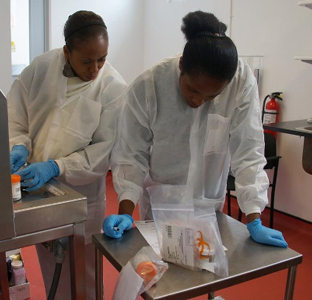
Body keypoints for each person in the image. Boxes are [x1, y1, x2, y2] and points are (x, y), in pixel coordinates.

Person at [103, 11, 288, 248]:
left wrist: (253, 217)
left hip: (207, 206)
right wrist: (126, 210)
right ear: (181, 66)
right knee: (159, 277)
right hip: (161, 206)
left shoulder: (240, 82)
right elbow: (130, 154)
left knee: (206, 273)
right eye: (193, 90)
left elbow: (248, 149)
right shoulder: (149, 87)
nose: (199, 100)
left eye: (212, 96)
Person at [7, 10, 127, 299]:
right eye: (86, 60)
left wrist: (57, 166)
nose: (94, 68)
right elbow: (15, 113)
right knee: (50, 265)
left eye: (102, 59)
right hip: (39, 190)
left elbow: (103, 151)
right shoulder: (40, 68)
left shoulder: (113, 88)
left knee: (85, 274)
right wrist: (17, 144)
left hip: (82, 193)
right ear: (66, 52)